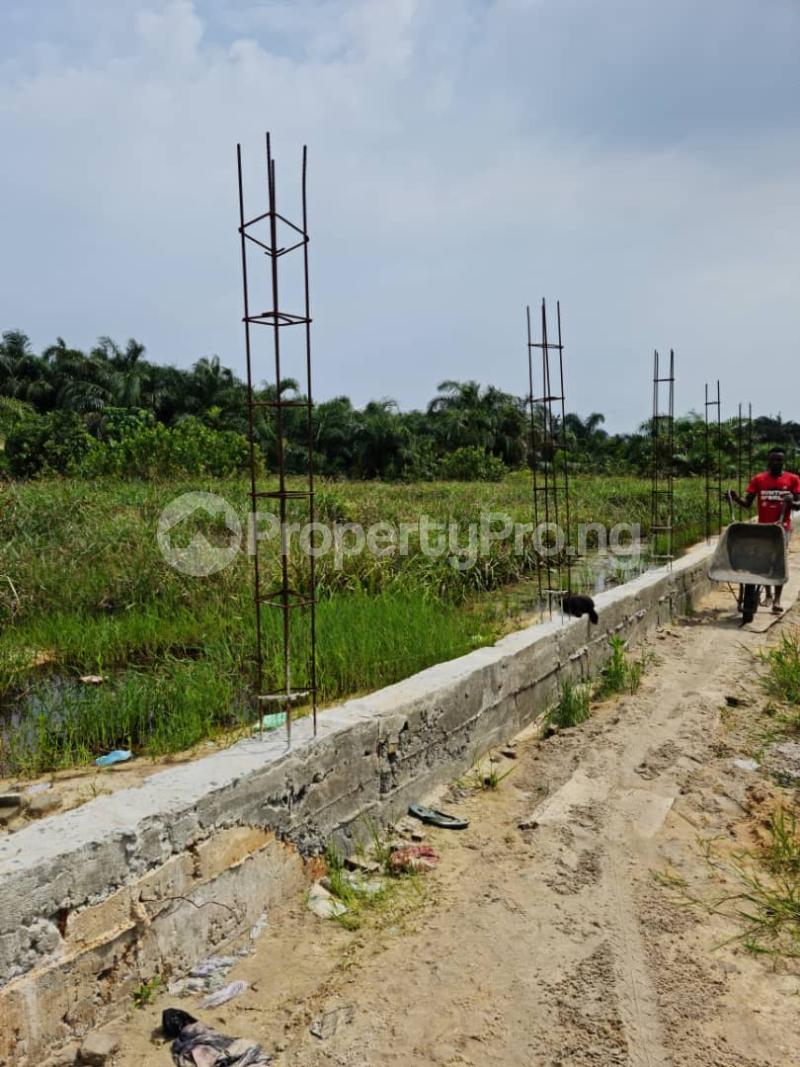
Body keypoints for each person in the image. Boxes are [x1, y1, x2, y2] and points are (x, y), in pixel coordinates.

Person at [729, 448, 800, 613]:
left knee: (778, 562)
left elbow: (798, 504)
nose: (776, 463)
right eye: (773, 460)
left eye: (779, 460)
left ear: (783, 462)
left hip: (782, 527)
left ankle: (777, 599)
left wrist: (791, 502)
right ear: (768, 461)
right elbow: (747, 503)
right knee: (764, 561)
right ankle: (767, 594)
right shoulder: (759, 479)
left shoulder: (793, 479)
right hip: (763, 528)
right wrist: (735, 498)